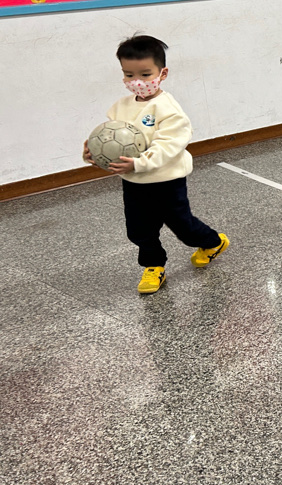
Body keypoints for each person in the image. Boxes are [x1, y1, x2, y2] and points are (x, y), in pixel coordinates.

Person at [83, 35, 229, 294]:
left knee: (183, 227)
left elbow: (168, 147)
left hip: (166, 180)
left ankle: (213, 241)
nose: (136, 81)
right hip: (134, 182)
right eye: (129, 75)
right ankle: (153, 266)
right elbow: (109, 141)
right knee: (138, 229)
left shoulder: (169, 109)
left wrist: (139, 163)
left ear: (163, 73)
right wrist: (94, 154)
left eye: (145, 74)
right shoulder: (120, 107)